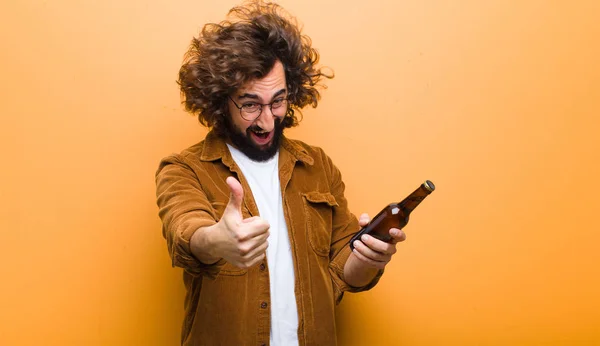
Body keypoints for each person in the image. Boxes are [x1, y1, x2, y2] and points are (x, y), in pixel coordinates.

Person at [155, 1, 406, 345]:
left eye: (277, 100)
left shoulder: (318, 166)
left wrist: (369, 258)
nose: (267, 120)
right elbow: (186, 230)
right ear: (220, 100)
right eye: (250, 104)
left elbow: (344, 272)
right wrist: (219, 241)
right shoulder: (184, 169)